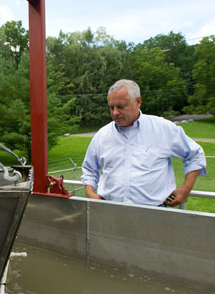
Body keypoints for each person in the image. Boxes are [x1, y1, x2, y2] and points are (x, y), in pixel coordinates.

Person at [81, 79, 206, 207]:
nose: (115, 113)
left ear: (138, 102)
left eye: (120, 106)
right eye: (111, 107)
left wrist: (185, 189)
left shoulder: (163, 129)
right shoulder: (102, 135)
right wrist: (91, 194)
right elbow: (89, 169)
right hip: (110, 212)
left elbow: (195, 155)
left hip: (154, 214)